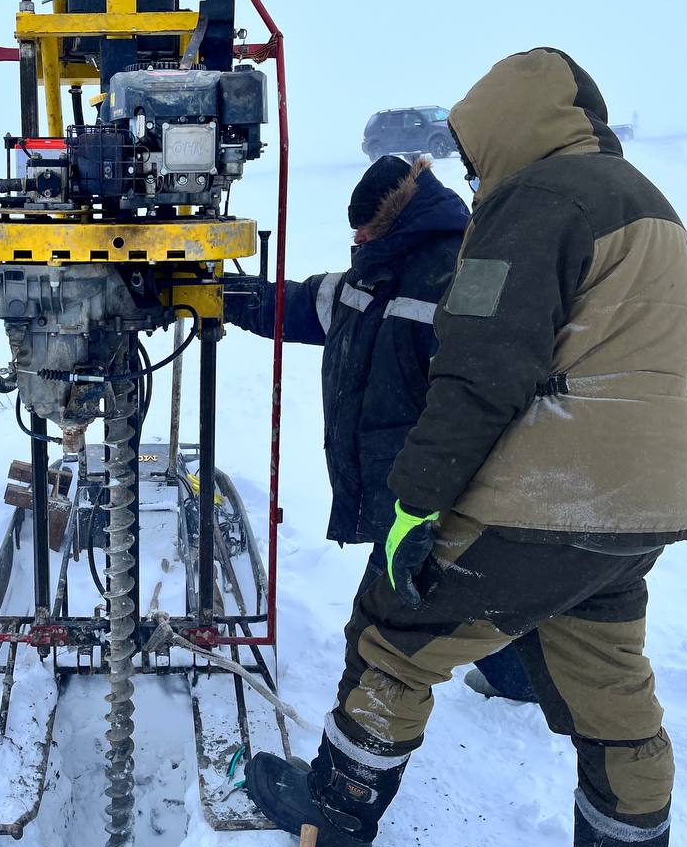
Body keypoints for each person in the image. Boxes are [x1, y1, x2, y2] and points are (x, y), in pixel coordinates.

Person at [245, 47, 687, 847]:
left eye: (472, 146)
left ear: (504, 125)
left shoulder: (535, 203)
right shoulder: (647, 203)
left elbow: (478, 372)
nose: (470, 166)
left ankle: (336, 819)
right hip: (645, 505)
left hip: (549, 495)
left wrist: (414, 505)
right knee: (611, 691)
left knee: (394, 631)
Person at [225, 154, 534, 702]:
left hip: (429, 493)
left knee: (380, 626)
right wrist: (221, 294)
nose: (358, 239)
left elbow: (479, 399)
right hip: (415, 485)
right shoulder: (376, 274)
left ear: (393, 220)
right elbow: (301, 305)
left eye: (365, 229)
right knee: (476, 582)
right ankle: (519, 681)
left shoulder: (459, 277)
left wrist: (424, 502)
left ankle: (348, 769)